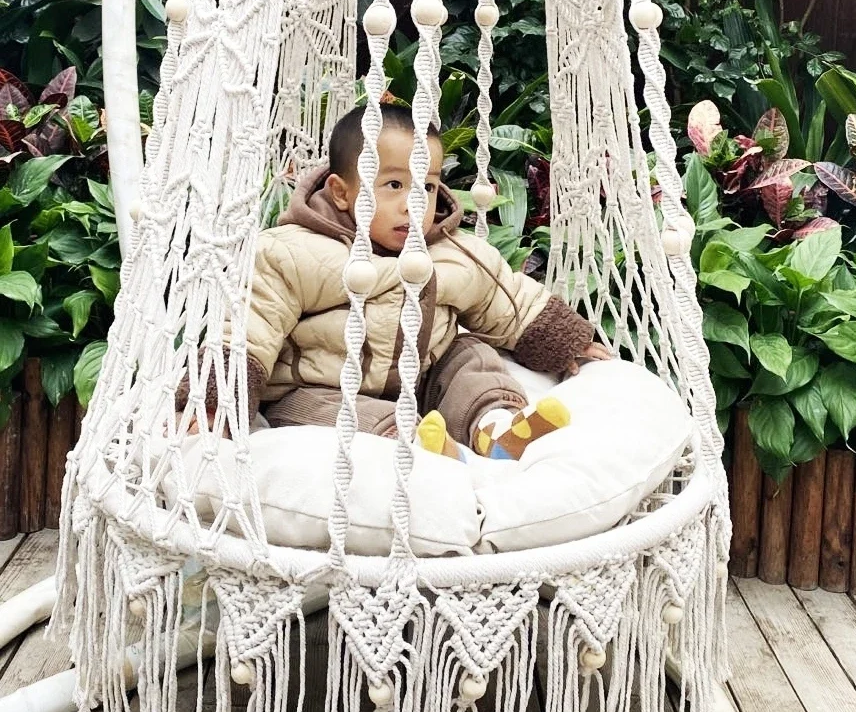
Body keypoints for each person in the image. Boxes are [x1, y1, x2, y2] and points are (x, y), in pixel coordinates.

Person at [192, 104, 610, 460]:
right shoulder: (291, 252)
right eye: (394, 184)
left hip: (419, 379)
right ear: (341, 192)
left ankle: (496, 427)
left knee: (469, 353)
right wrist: (218, 399)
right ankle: (412, 444)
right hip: (320, 387)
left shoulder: (451, 252)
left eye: (426, 187)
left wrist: (567, 342)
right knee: (316, 408)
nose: (414, 203)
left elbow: (509, 301)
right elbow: (252, 325)